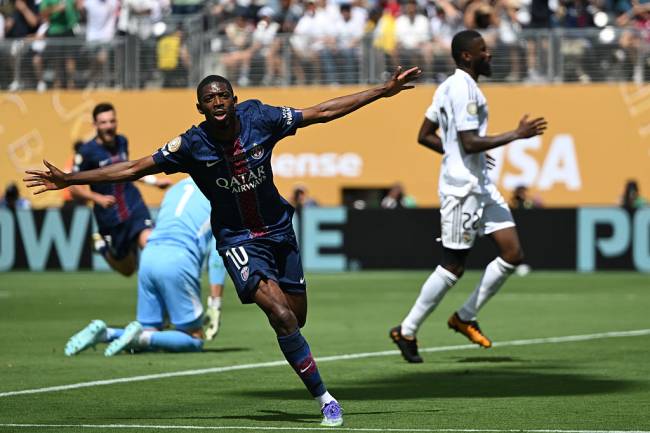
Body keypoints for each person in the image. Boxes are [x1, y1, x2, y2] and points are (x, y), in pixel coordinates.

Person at [24, 65, 422, 427]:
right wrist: (72, 180)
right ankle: (325, 399)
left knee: (296, 318)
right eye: (210, 99)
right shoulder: (190, 146)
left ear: (233, 99)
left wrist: (382, 91)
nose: (218, 102)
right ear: (200, 107)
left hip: (279, 230)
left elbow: (320, 112)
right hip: (237, 239)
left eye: (223, 96)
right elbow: (132, 167)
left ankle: (305, 363)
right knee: (281, 315)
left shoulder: (260, 117)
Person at [389, 29, 547, 363]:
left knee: (512, 252)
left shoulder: (448, 86)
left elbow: (426, 135)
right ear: (467, 56)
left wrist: (463, 154)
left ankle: (465, 315)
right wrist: (516, 135)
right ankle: (407, 329)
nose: (489, 55)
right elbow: (469, 142)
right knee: (452, 266)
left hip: (479, 183)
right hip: (462, 189)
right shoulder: (464, 91)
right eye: (483, 50)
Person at [64, 177, 227, 357]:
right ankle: (137, 338)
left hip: (149, 255)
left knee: (151, 332)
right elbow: (217, 255)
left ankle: (106, 333)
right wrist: (215, 303)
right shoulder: (221, 194)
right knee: (194, 338)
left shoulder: (177, 187)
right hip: (179, 260)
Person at [70, 102, 171, 276]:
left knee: (150, 246)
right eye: (103, 122)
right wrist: (97, 198)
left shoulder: (122, 141)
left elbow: (130, 171)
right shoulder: (86, 152)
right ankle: (102, 247)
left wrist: (154, 182)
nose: (109, 126)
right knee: (128, 270)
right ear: (95, 125)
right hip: (111, 217)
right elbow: (73, 187)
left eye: (112, 121)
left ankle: (159, 292)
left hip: (134, 205)